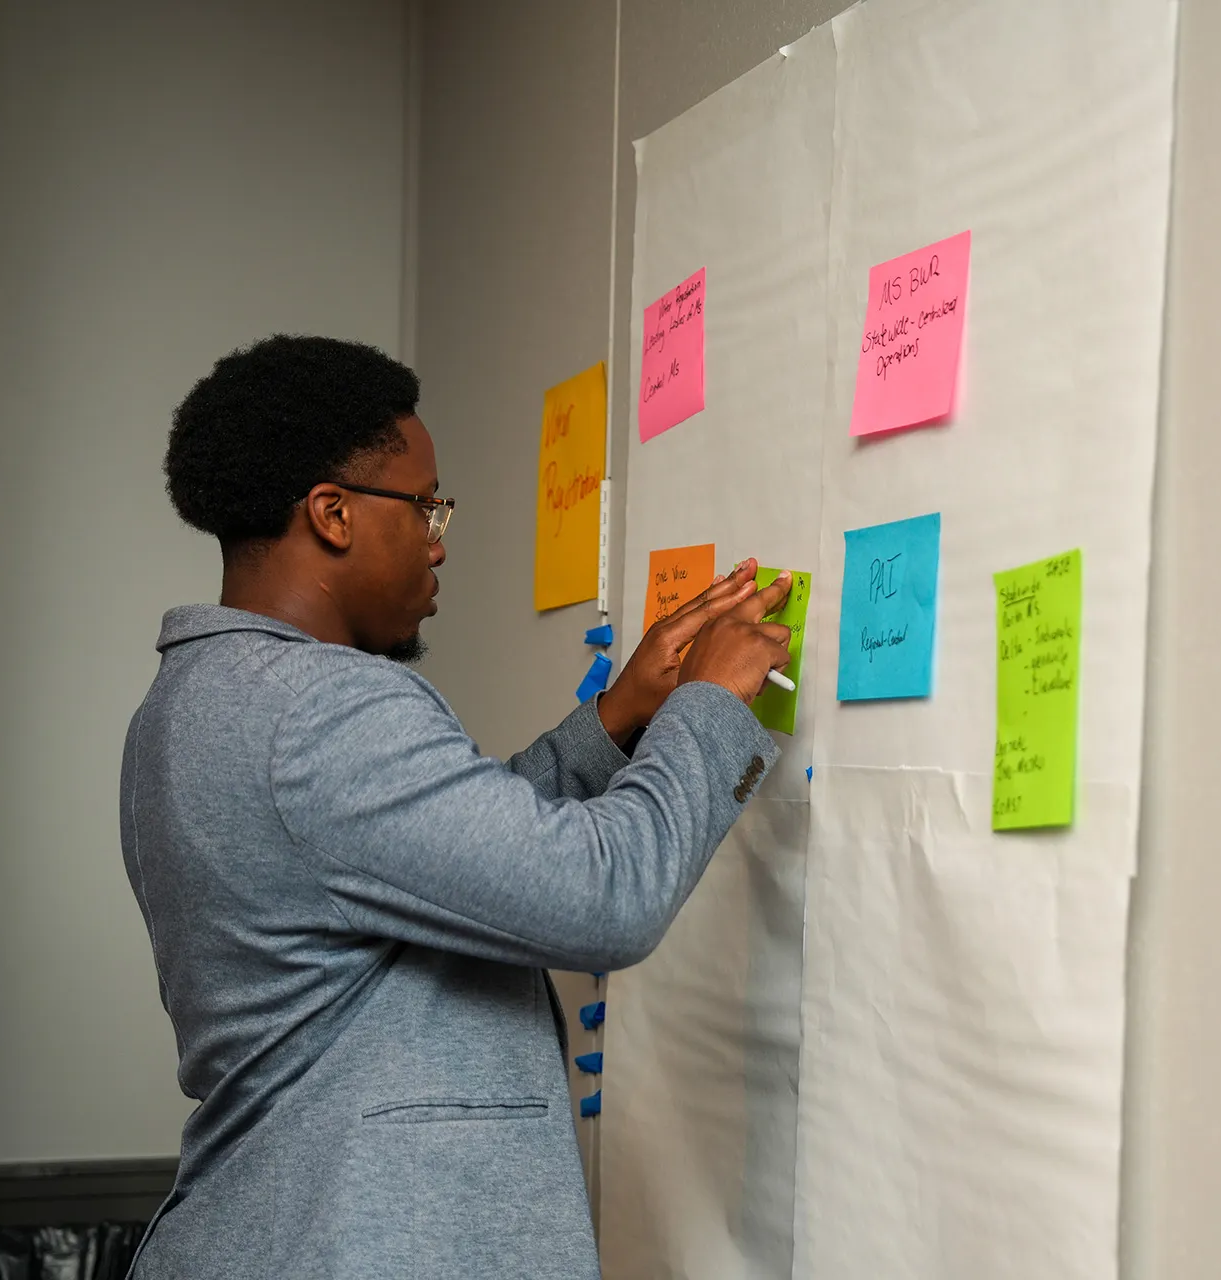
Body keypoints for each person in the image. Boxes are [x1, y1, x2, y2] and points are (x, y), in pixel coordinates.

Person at [119, 334, 791, 1279]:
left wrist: (618, 720)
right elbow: (603, 900)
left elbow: (425, 863)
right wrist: (712, 707)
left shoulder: (193, 704)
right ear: (334, 514)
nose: (440, 539)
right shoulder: (320, 708)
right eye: (426, 506)